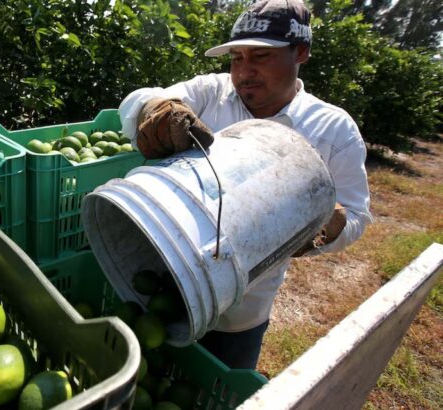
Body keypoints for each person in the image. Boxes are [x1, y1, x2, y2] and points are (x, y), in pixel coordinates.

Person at [118, 0, 372, 369]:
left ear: (300, 52)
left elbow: (357, 216)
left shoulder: (333, 130)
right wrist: (156, 109)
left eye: (260, 56)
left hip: (242, 307)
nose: (244, 72)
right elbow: (137, 100)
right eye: (237, 58)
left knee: (222, 381)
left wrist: (324, 225)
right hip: (164, 273)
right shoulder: (212, 94)